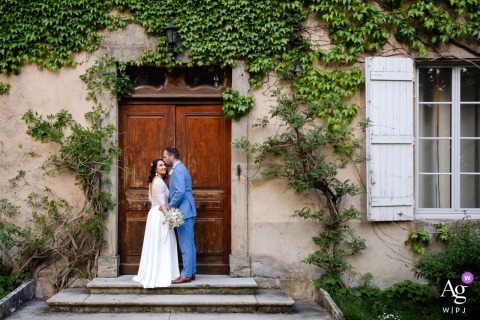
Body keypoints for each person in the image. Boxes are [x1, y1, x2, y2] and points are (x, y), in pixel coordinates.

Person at [133, 159, 180, 288]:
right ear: (155, 169)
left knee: (158, 244)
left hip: (155, 214)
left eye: (164, 164)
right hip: (160, 216)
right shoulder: (158, 182)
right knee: (162, 243)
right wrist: (170, 218)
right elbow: (161, 202)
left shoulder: (154, 181)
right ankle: (162, 273)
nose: (164, 166)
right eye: (161, 165)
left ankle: (158, 270)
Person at [163, 147, 197, 284]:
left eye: (165, 157)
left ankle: (186, 275)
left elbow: (179, 192)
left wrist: (170, 206)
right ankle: (191, 272)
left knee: (185, 244)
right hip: (187, 208)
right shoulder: (181, 168)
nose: (164, 159)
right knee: (189, 243)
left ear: (171, 156)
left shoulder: (178, 170)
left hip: (184, 210)